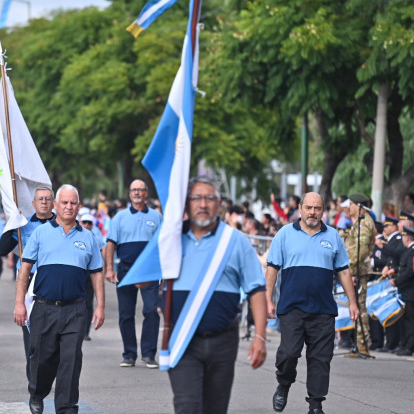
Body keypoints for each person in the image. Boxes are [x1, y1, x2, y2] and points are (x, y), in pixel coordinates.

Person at [162, 177, 267, 413]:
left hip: (223, 341)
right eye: (196, 198)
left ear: (219, 204)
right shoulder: (169, 240)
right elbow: (145, 281)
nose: (203, 204)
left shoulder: (236, 241)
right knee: (187, 407)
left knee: (215, 409)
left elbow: (256, 289)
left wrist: (260, 336)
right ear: (187, 204)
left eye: (209, 198)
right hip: (182, 340)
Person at [14, 184, 104, 414]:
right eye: (64, 202)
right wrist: (19, 303)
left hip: (75, 309)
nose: (68, 207)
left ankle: (66, 406)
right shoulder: (41, 233)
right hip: (44, 308)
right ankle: (37, 392)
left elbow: (96, 273)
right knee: (42, 359)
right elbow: (25, 270)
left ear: (78, 206)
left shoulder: (88, 237)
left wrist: (100, 306)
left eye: (73, 203)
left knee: (71, 361)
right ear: (56, 205)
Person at [266, 192, 359, 414]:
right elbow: (272, 270)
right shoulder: (285, 234)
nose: (312, 212)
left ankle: (315, 405)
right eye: (308, 207)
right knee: (288, 354)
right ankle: (284, 385)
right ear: (300, 209)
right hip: (292, 308)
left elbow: (344, 272)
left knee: (320, 359)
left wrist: (353, 303)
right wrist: (267, 300)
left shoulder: (333, 236)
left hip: (323, 310)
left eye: (317, 208)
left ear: (323, 210)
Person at [0, 186, 56, 383]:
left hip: (54, 281)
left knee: (53, 335)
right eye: (40, 198)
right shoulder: (24, 226)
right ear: (33, 203)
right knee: (31, 333)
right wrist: (12, 223)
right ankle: (34, 379)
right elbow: (2, 248)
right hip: (30, 282)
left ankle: (49, 372)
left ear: (53, 203)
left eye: (48, 198)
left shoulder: (62, 225)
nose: (44, 202)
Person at [104, 179, 163, 368]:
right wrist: (110, 269)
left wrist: (163, 273)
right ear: (130, 194)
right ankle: (129, 354)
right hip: (126, 270)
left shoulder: (157, 216)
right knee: (126, 314)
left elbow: (162, 246)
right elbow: (111, 244)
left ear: (146, 193)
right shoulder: (119, 217)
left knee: (151, 310)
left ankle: (149, 354)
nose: (137, 192)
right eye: (134, 190)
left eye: (141, 189)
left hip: (149, 272)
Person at [343, 193, 377, 357]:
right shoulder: (359, 223)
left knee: (360, 307)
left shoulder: (364, 224)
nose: (348, 207)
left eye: (351, 204)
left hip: (358, 272)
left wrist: (353, 272)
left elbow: (361, 251)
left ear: (359, 206)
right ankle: (359, 345)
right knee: (357, 306)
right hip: (356, 270)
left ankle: (363, 346)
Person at [390, 226, 414, 357]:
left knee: (411, 321)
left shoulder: (413, 250)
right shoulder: (409, 250)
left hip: (411, 290)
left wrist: (396, 281)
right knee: (406, 320)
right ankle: (406, 344)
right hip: (406, 291)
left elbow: (409, 271)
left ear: (407, 238)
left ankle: (411, 346)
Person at [79, 213, 105, 341]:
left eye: (89, 223)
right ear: (80, 222)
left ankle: (85, 332)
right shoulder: (74, 234)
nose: (87, 225)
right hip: (77, 275)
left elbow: (101, 253)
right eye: (84, 222)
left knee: (88, 303)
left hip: (89, 275)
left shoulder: (95, 236)